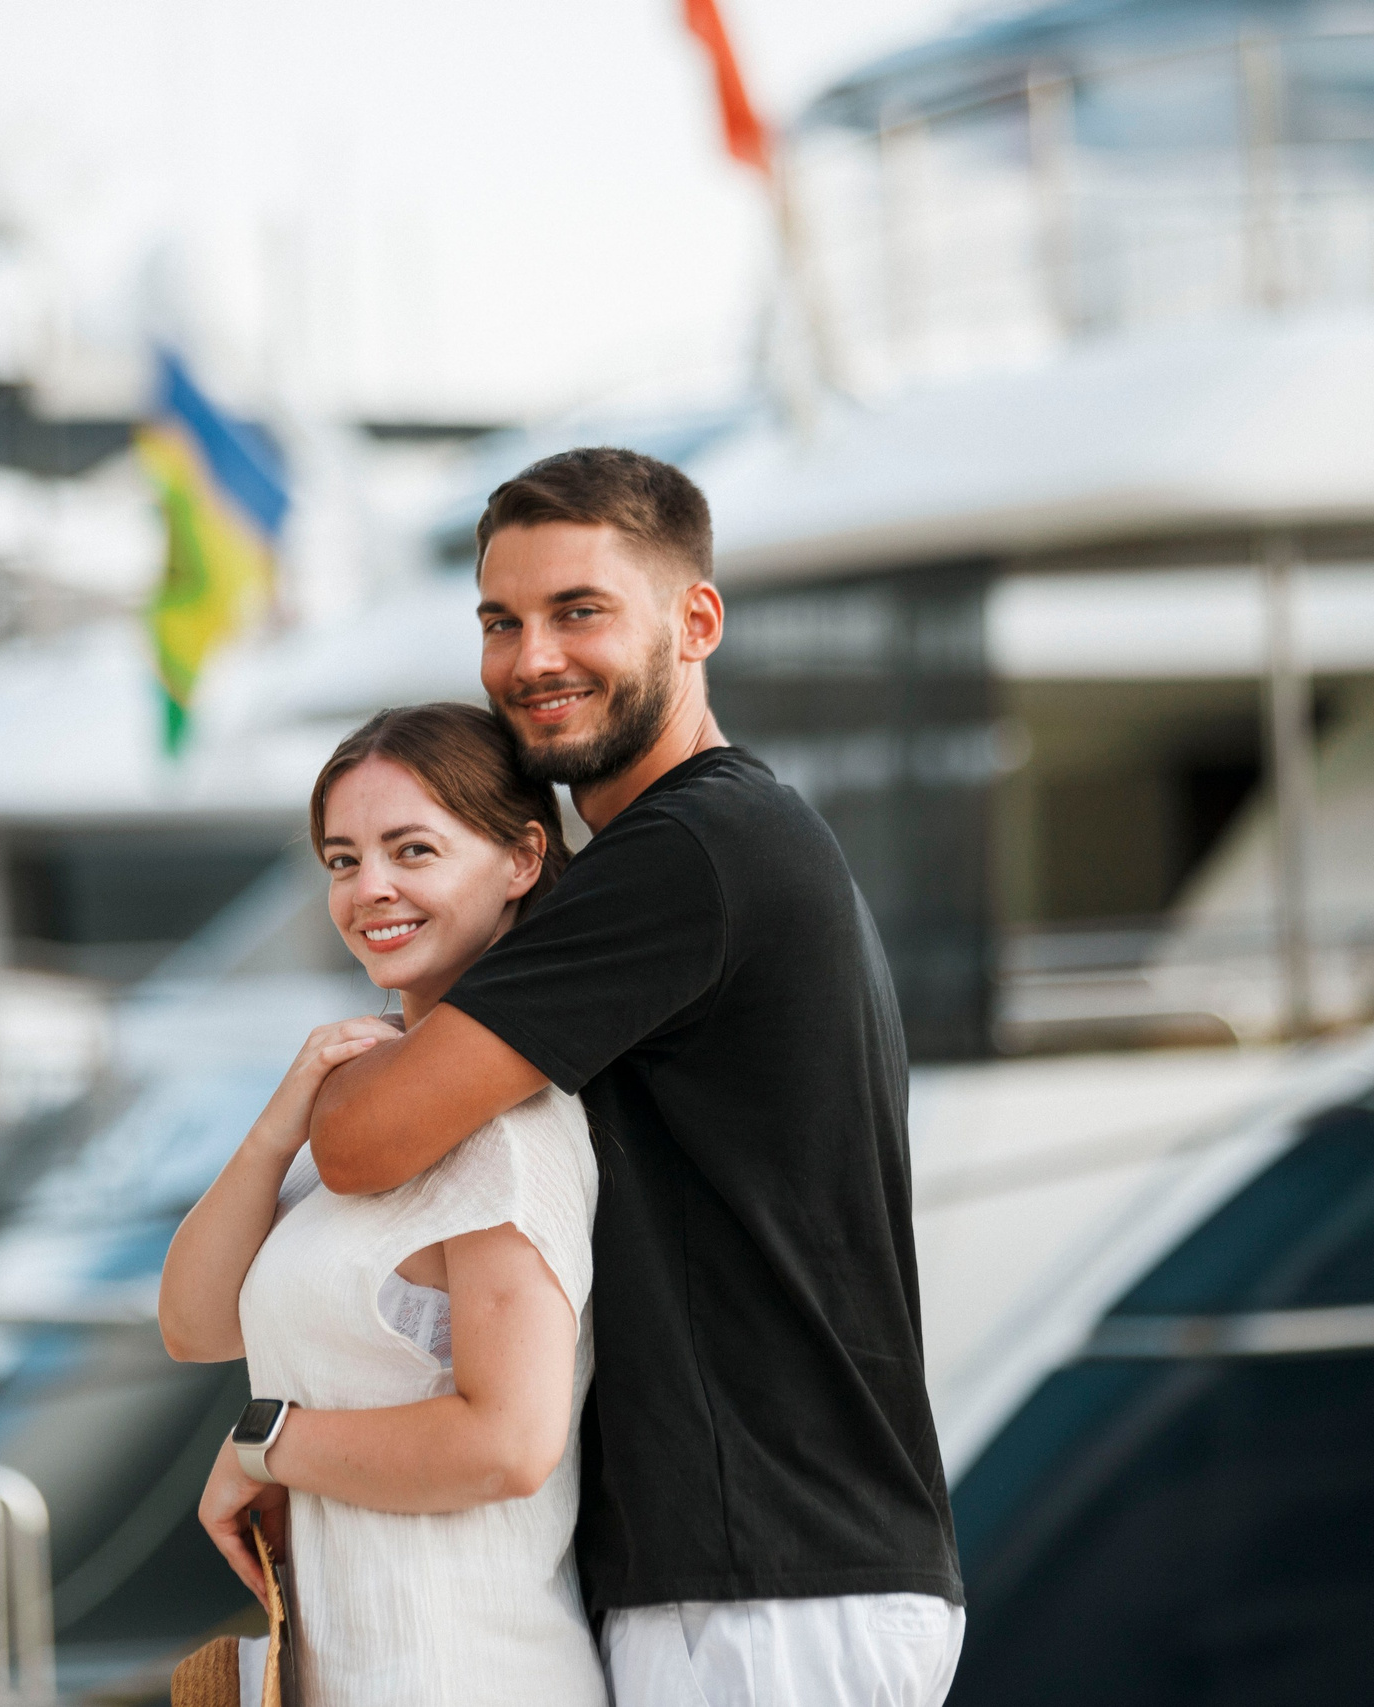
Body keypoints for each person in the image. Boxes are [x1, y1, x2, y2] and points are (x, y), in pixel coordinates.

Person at [302, 447, 965, 1706]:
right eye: (501, 620)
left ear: (694, 620)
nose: (531, 657)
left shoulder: (687, 854)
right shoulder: (720, 840)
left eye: (579, 611)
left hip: (766, 1592)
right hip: (756, 1577)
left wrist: (277, 1440)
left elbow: (363, 1140)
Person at [158, 703, 607, 1707]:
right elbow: (192, 1326)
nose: (371, 890)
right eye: (341, 859)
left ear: (522, 859)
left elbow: (508, 1443)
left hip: (467, 1674)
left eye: (413, 850)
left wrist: (266, 1444)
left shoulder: (511, 1130)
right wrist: (282, 1126)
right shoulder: (365, 1120)